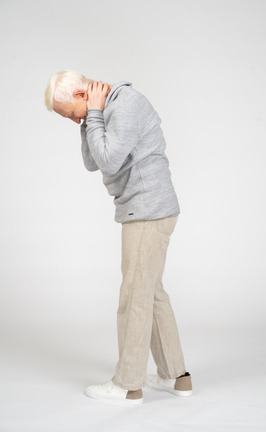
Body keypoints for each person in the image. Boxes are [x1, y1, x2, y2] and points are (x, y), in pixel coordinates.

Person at [44, 70, 192, 406]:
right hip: (148, 210)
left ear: (82, 95)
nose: (72, 120)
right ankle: (175, 376)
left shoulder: (125, 105)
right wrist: (88, 119)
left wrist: (92, 114)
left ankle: (127, 385)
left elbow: (109, 160)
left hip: (147, 211)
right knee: (151, 294)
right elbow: (91, 162)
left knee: (133, 299)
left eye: (70, 113)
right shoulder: (101, 109)